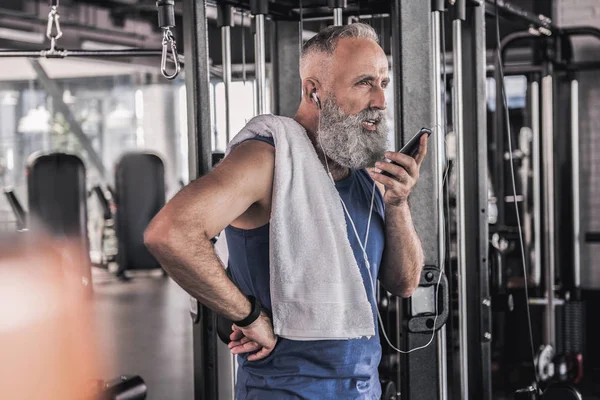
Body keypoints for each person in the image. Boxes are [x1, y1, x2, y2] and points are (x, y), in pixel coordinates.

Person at [144, 23, 427, 400]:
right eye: (363, 83)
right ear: (314, 91)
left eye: (383, 83)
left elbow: (403, 284)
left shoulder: (362, 171)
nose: (380, 100)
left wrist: (397, 203)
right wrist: (248, 316)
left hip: (363, 389)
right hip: (284, 390)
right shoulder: (269, 158)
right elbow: (170, 232)